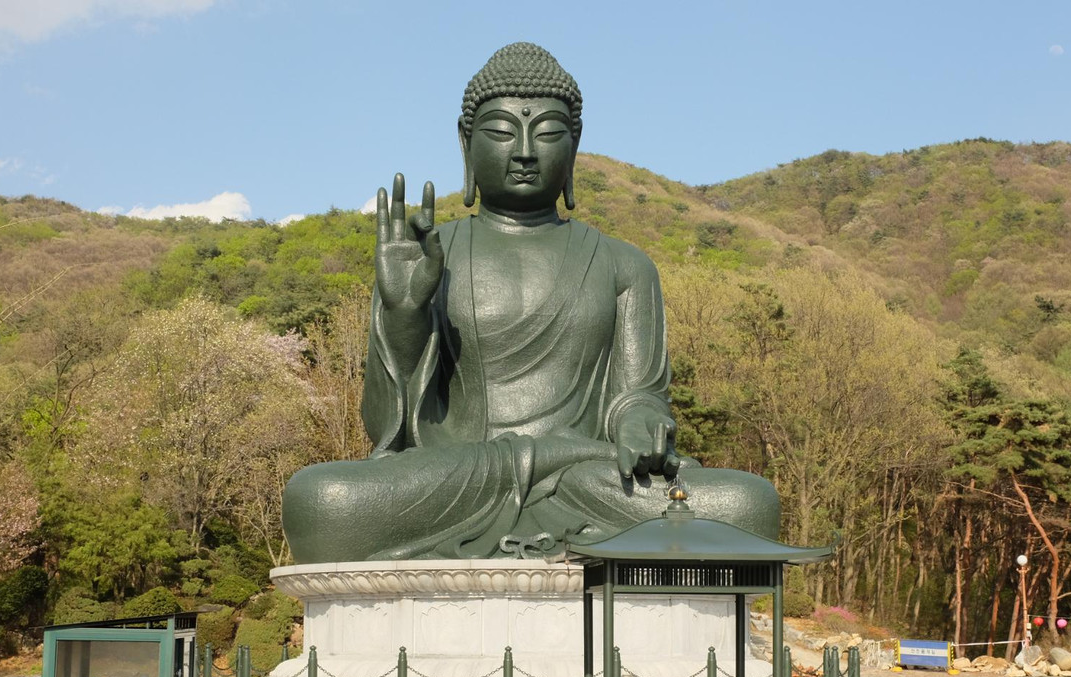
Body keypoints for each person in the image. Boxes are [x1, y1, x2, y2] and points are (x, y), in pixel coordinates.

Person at [282, 43, 779, 563]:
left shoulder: (624, 265)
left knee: (747, 502)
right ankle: (557, 515)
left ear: (576, 142)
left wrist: (639, 420)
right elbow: (388, 429)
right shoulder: (426, 255)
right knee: (322, 500)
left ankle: (552, 503)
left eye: (546, 132)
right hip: (465, 478)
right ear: (465, 142)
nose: (523, 151)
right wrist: (403, 314)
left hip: (586, 478)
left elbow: (640, 395)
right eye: (500, 132)